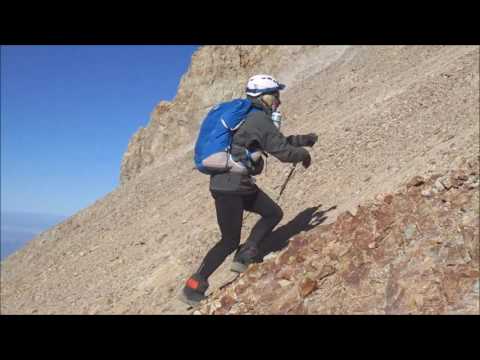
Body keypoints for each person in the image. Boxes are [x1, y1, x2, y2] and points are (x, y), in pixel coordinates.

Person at [180, 74, 318, 306]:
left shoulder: (249, 117)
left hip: (237, 185)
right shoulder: (258, 119)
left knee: (273, 213)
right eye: (275, 94)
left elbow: (274, 141)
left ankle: (246, 255)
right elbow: (282, 152)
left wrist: (303, 140)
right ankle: (194, 286)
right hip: (230, 187)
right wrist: (302, 154)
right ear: (264, 95)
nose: (278, 100)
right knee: (229, 239)